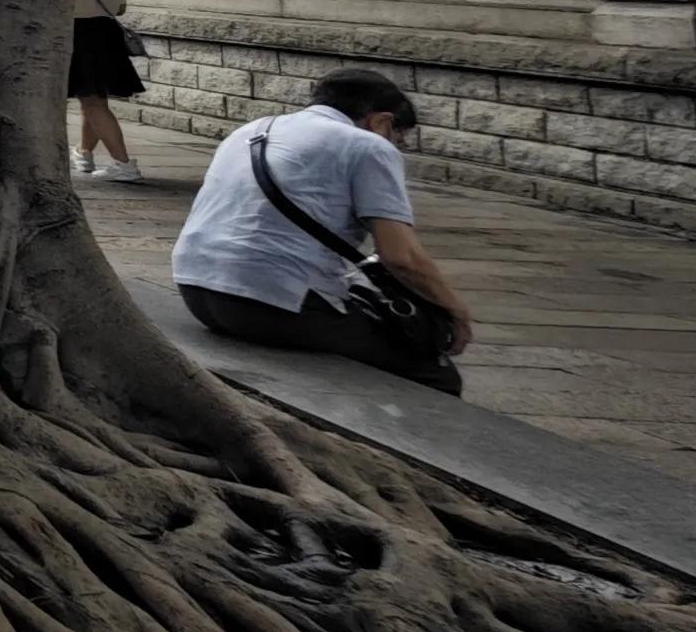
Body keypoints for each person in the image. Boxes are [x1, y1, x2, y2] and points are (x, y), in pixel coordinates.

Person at [168, 69, 476, 396]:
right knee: (435, 373)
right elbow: (401, 257)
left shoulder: (251, 130)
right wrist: (455, 310)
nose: (395, 146)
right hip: (271, 304)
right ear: (382, 122)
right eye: (398, 138)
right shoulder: (369, 146)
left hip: (196, 288)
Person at [68, 0, 145, 183]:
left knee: (93, 102)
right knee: (92, 98)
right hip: (106, 35)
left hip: (78, 35)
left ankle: (123, 164)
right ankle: (84, 152)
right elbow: (120, 8)